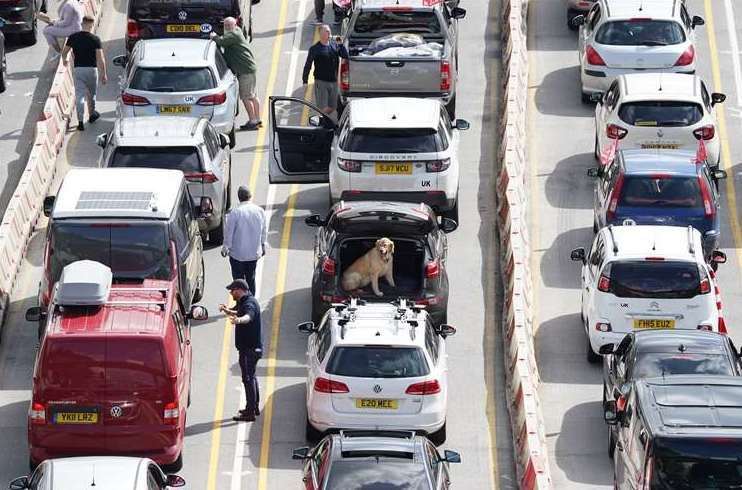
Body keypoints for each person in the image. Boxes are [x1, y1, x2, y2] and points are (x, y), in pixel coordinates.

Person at [219, 279, 262, 422]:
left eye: (232, 290)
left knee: (248, 379)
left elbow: (247, 317)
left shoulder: (250, 304)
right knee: (252, 377)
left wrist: (238, 321)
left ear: (240, 290)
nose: (231, 293)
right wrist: (228, 311)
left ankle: (249, 412)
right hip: (252, 349)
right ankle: (254, 407)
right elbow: (238, 311)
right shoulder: (245, 301)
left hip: (248, 350)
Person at [210, 17, 262, 131]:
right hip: (249, 68)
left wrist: (214, 36)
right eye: (226, 25)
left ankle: (253, 121)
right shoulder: (237, 30)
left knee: (246, 97)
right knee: (253, 96)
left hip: (245, 71)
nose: (227, 27)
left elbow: (221, 41)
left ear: (235, 25)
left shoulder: (233, 35)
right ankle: (257, 119)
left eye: (229, 25)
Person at [61, 15, 107, 131]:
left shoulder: (73, 37)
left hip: (78, 69)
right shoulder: (95, 39)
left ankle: (80, 122)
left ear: (81, 24)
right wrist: (104, 74)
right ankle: (91, 115)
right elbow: (101, 59)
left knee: (80, 95)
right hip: (92, 70)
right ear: (91, 25)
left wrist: (64, 60)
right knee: (92, 94)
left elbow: (64, 52)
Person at [222, 186, 267, 295]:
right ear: (250, 196)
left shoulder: (235, 212)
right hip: (253, 253)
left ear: (239, 198)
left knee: (238, 282)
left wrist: (225, 248)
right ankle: (251, 302)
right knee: (251, 279)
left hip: (237, 255)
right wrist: (263, 245)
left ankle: (240, 304)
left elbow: (229, 233)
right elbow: (264, 230)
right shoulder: (259, 211)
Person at [302, 24, 348, 116]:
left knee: (334, 106)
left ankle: (324, 119)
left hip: (333, 81)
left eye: (329, 30)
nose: (329, 32)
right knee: (323, 106)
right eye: (326, 31)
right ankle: (324, 124)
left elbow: (345, 55)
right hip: (321, 82)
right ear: (321, 34)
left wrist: (341, 44)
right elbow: (308, 65)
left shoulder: (334, 46)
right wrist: (305, 81)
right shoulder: (315, 49)